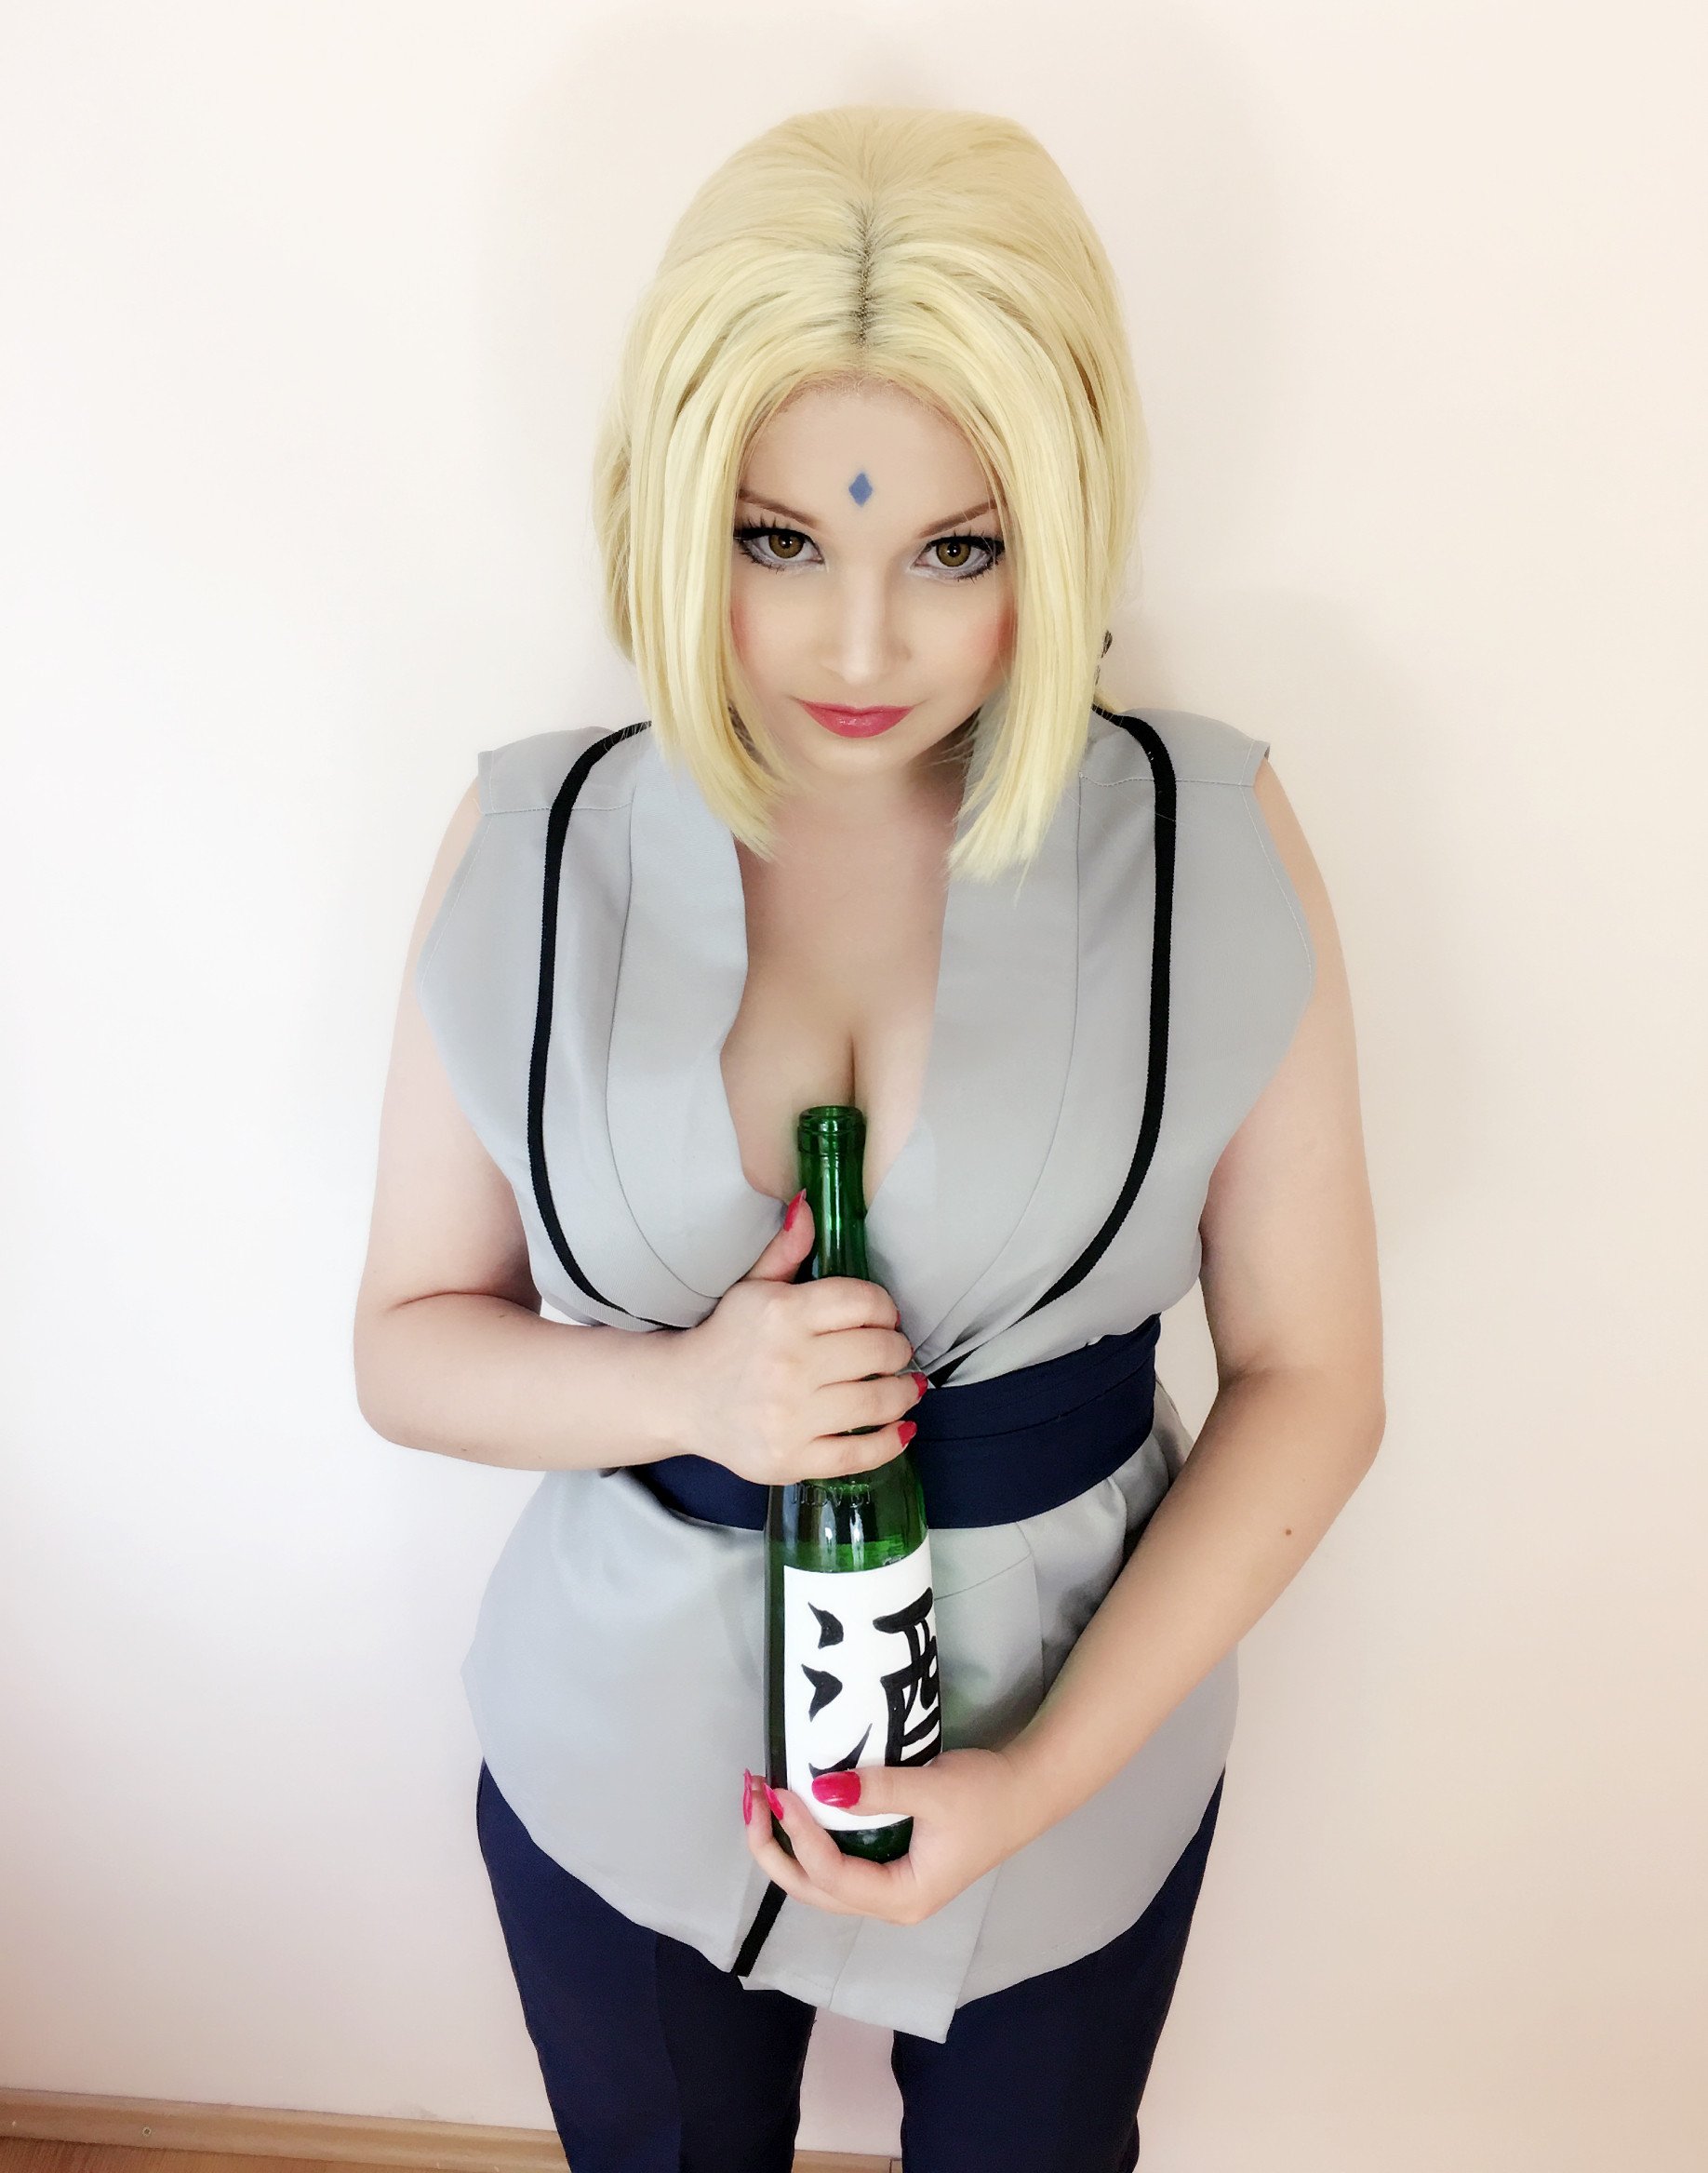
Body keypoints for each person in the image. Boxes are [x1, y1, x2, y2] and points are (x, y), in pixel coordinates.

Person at [354, 104, 1384, 2173]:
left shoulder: (1203, 836)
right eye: (781, 540)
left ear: (1058, 523)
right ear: (677, 512)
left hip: (1069, 1759)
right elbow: (404, 1343)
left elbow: (1315, 1380)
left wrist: (1037, 1783)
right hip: (621, 1762)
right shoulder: (533, 839)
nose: (856, 646)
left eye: (956, 552)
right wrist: (684, 1393)